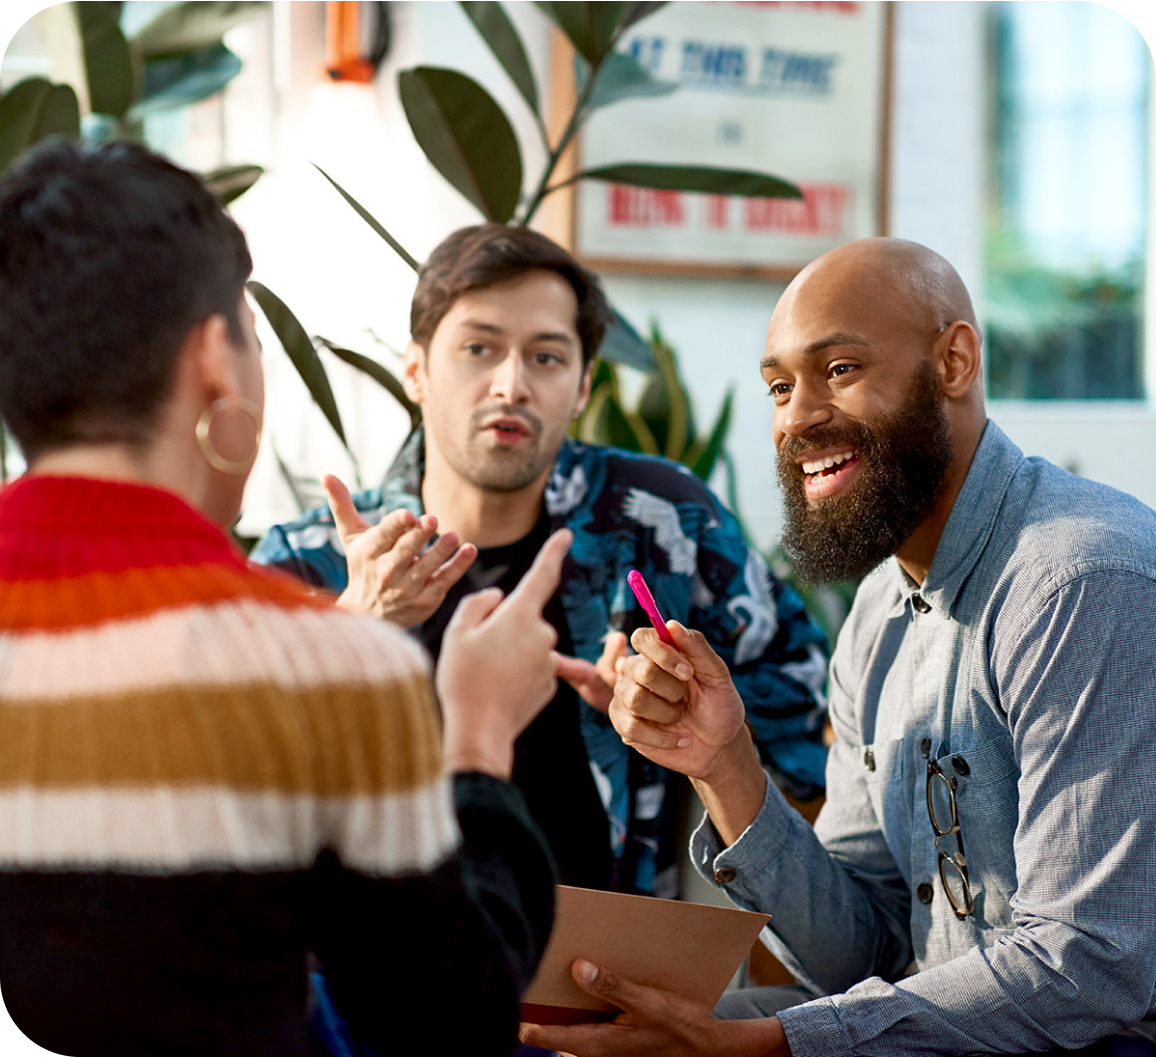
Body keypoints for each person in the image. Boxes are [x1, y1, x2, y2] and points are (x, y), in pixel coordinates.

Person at [519, 237, 1156, 1056]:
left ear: (955, 361)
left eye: (841, 370)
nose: (797, 417)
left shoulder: (1080, 582)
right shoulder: (878, 614)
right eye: (780, 387)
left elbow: (1089, 967)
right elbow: (869, 953)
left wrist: (762, 1045)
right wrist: (724, 765)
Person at [0, 140, 564, 1057]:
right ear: (215, 360)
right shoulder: (334, 666)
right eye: (255, 342)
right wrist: (476, 738)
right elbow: (445, 1025)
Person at [253, 224, 829, 898]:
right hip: (375, 952)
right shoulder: (309, 562)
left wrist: (678, 708)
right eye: (479, 348)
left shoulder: (662, 520)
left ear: (582, 386)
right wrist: (352, 627)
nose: (511, 384)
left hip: (612, 951)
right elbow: (215, 785)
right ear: (416, 370)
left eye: (546, 357)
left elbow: (803, 691)